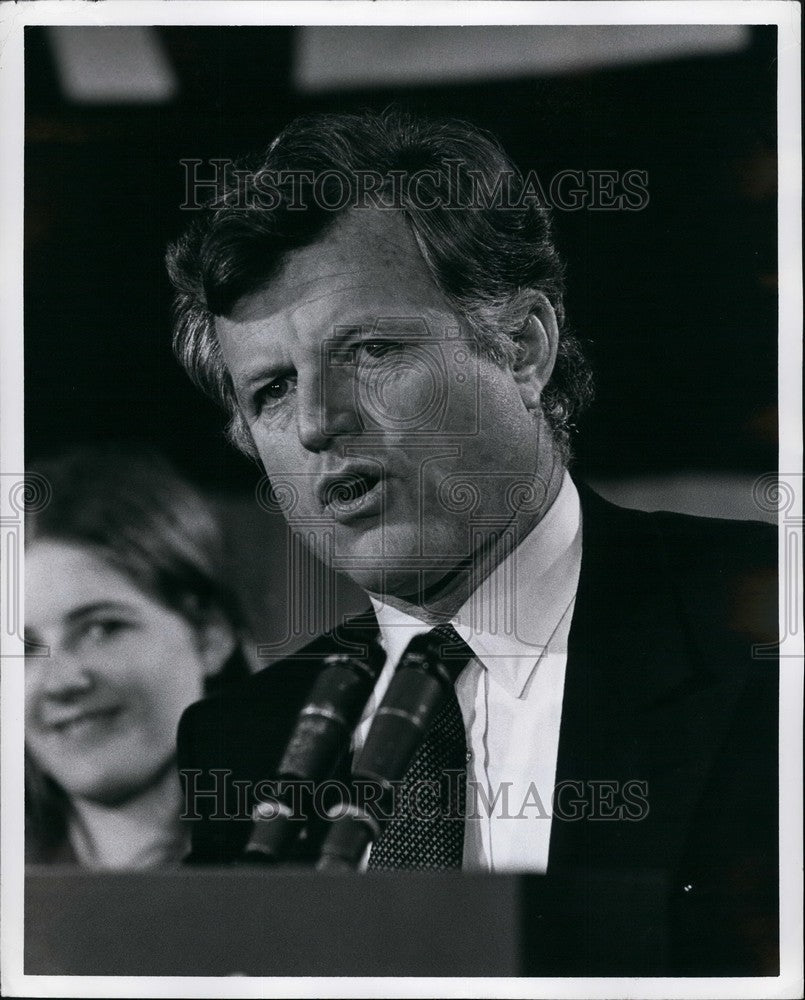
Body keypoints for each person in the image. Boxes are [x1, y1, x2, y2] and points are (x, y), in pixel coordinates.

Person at [165, 110, 777, 973]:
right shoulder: (242, 746)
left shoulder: (763, 621)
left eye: (371, 349)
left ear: (524, 349)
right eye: (269, 390)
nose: (315, 423)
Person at [24, 445, 252, 868]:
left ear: (210, 636)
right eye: (23, 649)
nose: (60, 682)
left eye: (102, 629)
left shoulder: (328, 862)